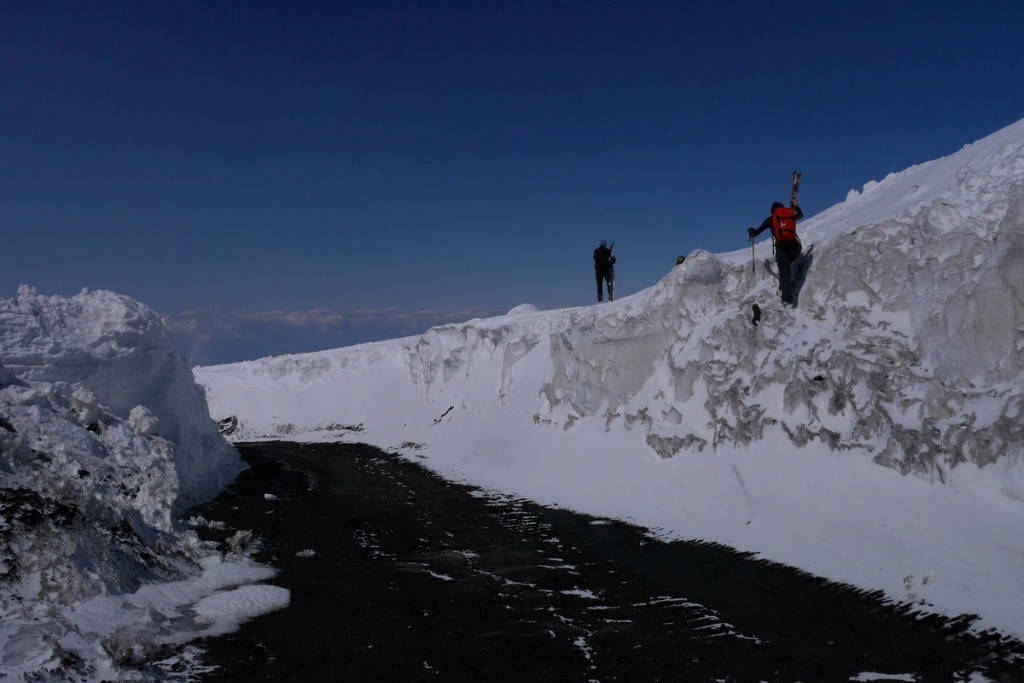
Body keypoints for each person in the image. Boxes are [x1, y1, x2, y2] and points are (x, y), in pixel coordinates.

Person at [748, 201, 804, 305]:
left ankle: (787, 301)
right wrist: (795, 206)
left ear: (772, 211)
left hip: (782, 249)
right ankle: (792, 277)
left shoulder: (770, 220)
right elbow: (801, 215)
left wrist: (751, 232)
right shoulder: (790, 216)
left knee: (784, 273)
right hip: (795, 247)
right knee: (788, 267)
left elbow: (756, 233)